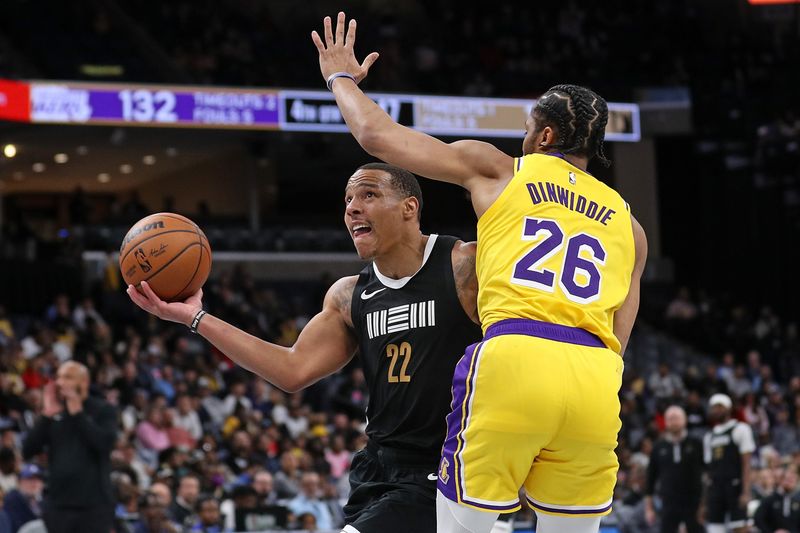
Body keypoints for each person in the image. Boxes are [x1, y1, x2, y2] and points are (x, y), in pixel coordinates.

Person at [311, 13, 648, 533]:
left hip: (517, 352)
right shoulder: (630, 224)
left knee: (460, 527)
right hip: (596, 378)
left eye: (528, 128)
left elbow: (376, 135)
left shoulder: (502, 169)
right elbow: (619, 334)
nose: (522, 136)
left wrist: (340, 78)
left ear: (547, 135)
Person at [127, 162, 487, 533]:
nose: (352, 208)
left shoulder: (465, 266)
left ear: (409, 208)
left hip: (444, 467)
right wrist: (195, 318)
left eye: (368, 194)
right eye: (348, 199)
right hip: (376, 471)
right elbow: (291, 370)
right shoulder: (350, 295)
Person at [22, 361, 117, 533]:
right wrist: (46, 414)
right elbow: (28, 450)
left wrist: (78, 414)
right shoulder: (54, 414)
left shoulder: (103, 410)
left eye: (68, 377)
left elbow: (104, 445)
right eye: (58, 377)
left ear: (84, 382)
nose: (60, 383)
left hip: (93, 506)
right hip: (59, 505)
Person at [644, 406, 705, 533]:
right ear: (665, 422)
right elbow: (650, 478)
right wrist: (649, 508)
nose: (674, 422)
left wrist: (704, 504)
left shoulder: (697, 444)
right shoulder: (658, 447)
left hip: (694, 501)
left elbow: (706, 474)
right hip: (668, 501)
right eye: (670, 419)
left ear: (685, 420)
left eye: (677, 418)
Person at [704, 393, 756, 533]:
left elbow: (746, 463)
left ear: (728, 408)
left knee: (740, 527)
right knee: (714, 528)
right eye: (714, 407)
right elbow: (709, 469)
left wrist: (746, 491)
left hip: (735, 485)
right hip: (716, 487)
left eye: (720, 406)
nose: (716, 410)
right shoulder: (709, 436)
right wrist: (705, 500)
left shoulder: (740, 429)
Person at [753, 465, 800, 533]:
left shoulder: (798, 499)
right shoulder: (770, 499)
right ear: (781, 480)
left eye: (792, 479)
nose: (790, 482)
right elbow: (758, 519)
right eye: (788, 479)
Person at [2, 464, 43, 533]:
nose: (34, 483)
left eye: (37, 479)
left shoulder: (44, 500)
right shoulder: (12, 500)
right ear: (19, 482)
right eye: (30, 479)